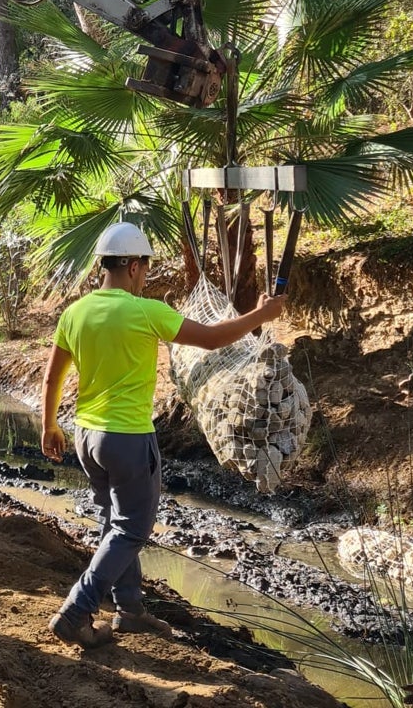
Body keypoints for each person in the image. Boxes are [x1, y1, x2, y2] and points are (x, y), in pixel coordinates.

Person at [41, 221, 286, 649]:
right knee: (132, 529)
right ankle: (77, 610)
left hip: (86, 437)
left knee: (112, 522)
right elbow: (210, 340)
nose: (145, 278)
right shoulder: (144, 311)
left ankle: (129, 611)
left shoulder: (74, 313)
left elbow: (51, 378)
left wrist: (48, 424)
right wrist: (261, 317)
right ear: (133, 266)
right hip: (128, 440)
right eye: (146, 270)